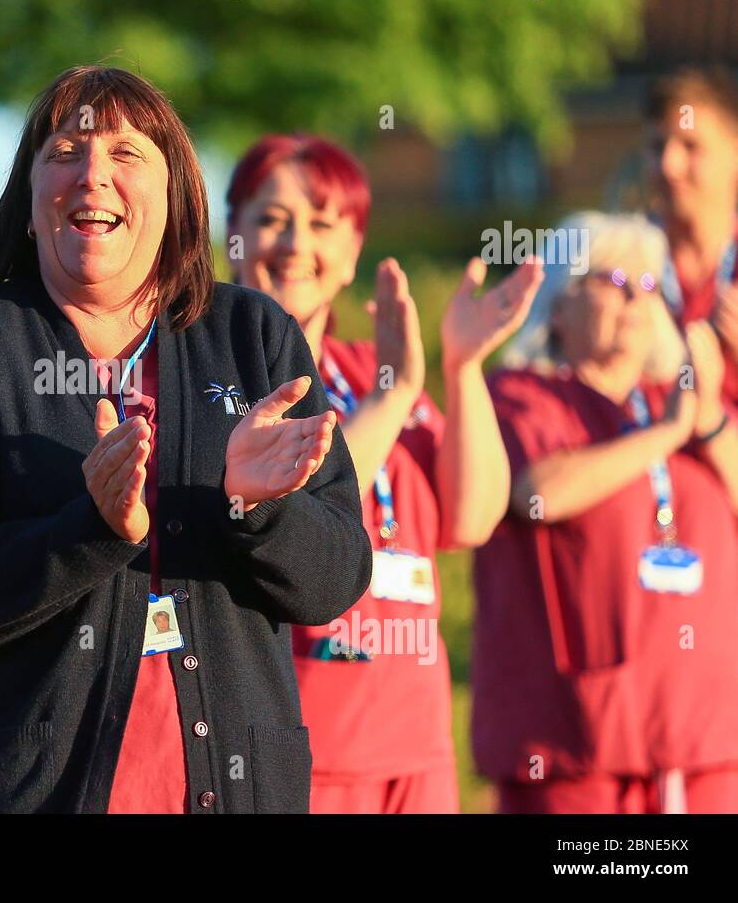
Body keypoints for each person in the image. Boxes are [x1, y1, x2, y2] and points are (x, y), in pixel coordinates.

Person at [0, 66, 372, 814]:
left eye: (126, 155)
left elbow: (336, 578)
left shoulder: (253, 336)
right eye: (67, 151)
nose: (94, 175)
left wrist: (255, 508)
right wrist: (90, 529)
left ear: (176, 197)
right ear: (27, 203)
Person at [225, 133, 543, 813]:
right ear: (232, 235)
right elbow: (299, 515)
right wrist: (391, 403)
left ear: (351, 254)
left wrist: (461, 369)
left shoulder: (373, 367)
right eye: (271, 219)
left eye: (321, 223)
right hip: (299, 751)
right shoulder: (220, 380)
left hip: (414, 751)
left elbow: (473, 515)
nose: (294, 243)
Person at [476, 212, 738, 813]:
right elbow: (536, 493)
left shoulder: (682, 405)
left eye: (650, 286)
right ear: (559, 310)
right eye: (613, 279)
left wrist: (710, 424)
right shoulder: (521, 394)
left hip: (705, 746)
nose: (635, 299)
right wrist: (667, 434)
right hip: (575, 752)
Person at [646, 68, 738, 411]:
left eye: (690, 146)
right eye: (657, 147)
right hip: (640, 459)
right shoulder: (619, 263)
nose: (669, 165)